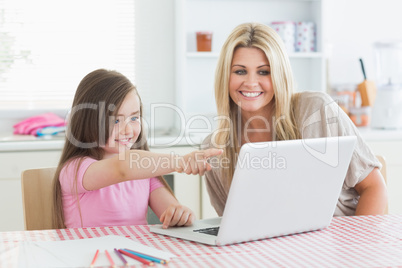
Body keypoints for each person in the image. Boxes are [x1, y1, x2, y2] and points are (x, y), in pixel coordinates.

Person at [202, 22, 387, 217]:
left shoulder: (316, 111)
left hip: (339, 240)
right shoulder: (214, 149)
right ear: (225, 76)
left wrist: (354, 246)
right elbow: (234, 225)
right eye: (240, 71)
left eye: (264, 71)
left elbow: (373, 187)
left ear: (279, 75)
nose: (250, 82)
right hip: (275, 246)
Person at [53, 69, 222, 229]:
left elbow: (171, 210)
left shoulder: (145, 174)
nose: (128, 130)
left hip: (133, 256)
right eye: (116, 121)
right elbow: (123, 167)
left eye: (134, 117)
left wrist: (180, 214)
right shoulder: (74, 171)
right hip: (88, 257)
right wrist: (181, 162)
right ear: (88, 121)